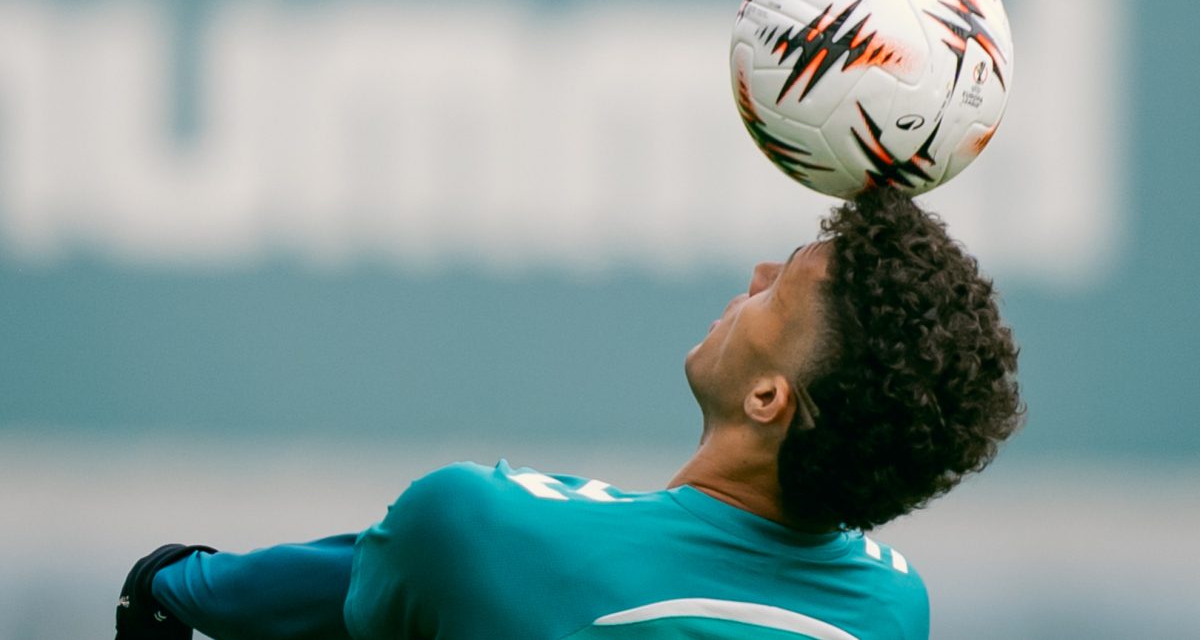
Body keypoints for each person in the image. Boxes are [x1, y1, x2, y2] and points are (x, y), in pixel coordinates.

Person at [115, 186, 1024, 640]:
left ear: (768, 398)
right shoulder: (895, 607)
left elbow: (249, 592)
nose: (752, 277)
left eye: (780, 286)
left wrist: (159, 582)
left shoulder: (480, 526)